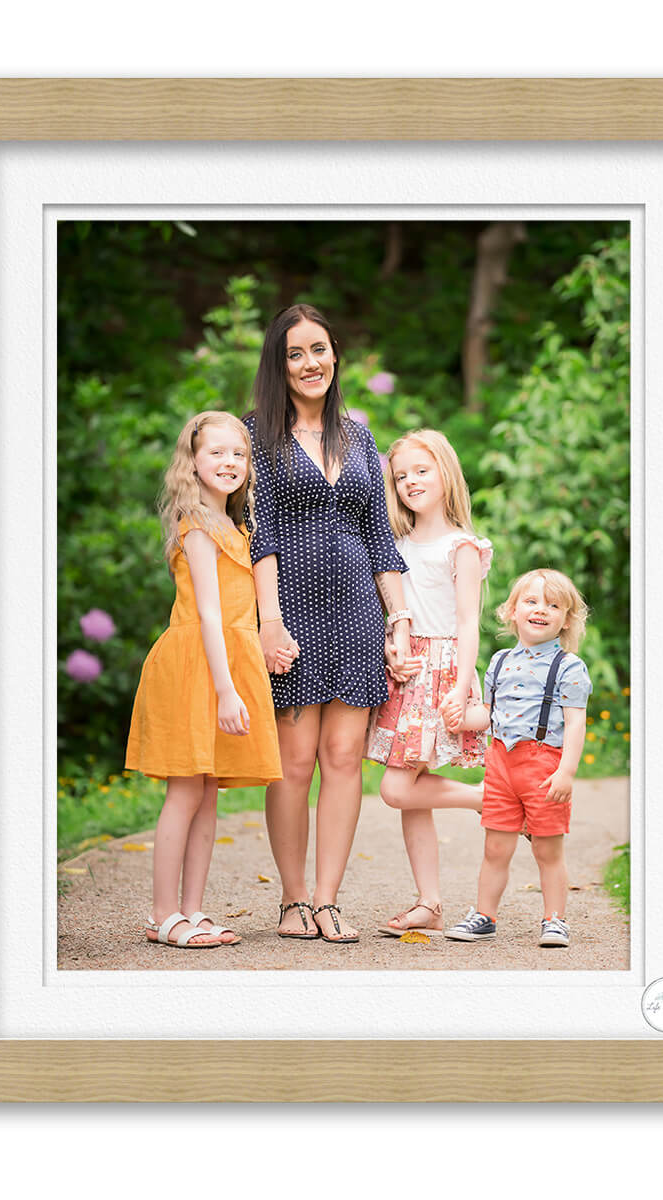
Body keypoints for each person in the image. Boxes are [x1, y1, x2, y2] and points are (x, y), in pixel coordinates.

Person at [244, 304, 411, 944]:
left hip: (357, 612)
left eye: (318, 349)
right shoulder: (256, 432)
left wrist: (398, 618)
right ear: (278, 365)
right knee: (293, 761)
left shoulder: (360, 435)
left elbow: (378, 535)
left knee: (344, 758)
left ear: (335, 353)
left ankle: (327, 899)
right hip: (291, 608)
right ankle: (291, 900)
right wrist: (268, 620)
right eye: (295, 354)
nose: (310, 363)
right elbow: (257, 531)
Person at [125, 411, 287, 949]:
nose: (228, 462)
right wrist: (225, 690)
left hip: (225, 661)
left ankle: (192, 911)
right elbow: (211, 616)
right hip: (198, 664)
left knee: (208, 791)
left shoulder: (237, 527)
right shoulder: (197, 526)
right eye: (216, 452)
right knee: (184, 790)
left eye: (238, 454)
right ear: (192, 461)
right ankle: (163, 914)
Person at [364, 430, 491, 936]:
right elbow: (392, 612)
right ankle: (429, 903)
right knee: (409, 790)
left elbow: (467, 623)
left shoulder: (461, 547)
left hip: (441, 674)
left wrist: (460, 687)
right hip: (405, 673)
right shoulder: (393, 545)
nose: (410, 481)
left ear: (445, 473)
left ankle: (491, 798)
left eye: (422, 470)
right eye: (400, 476)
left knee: (397, 789)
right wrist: (391, 656)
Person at [441, 568, 592, 948]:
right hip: (501, 765)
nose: (541, 610)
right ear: (512, 610)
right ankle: (484, 915)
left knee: (546, 849)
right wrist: (460, 717)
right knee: (495, 848)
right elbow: (488, 715)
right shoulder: (500, 662)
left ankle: (555, 920)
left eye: (553, 605)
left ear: (566, 619)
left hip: (544, 767)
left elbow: (575, 724)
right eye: (532, 601)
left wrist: (566, 772)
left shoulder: (569, 667)